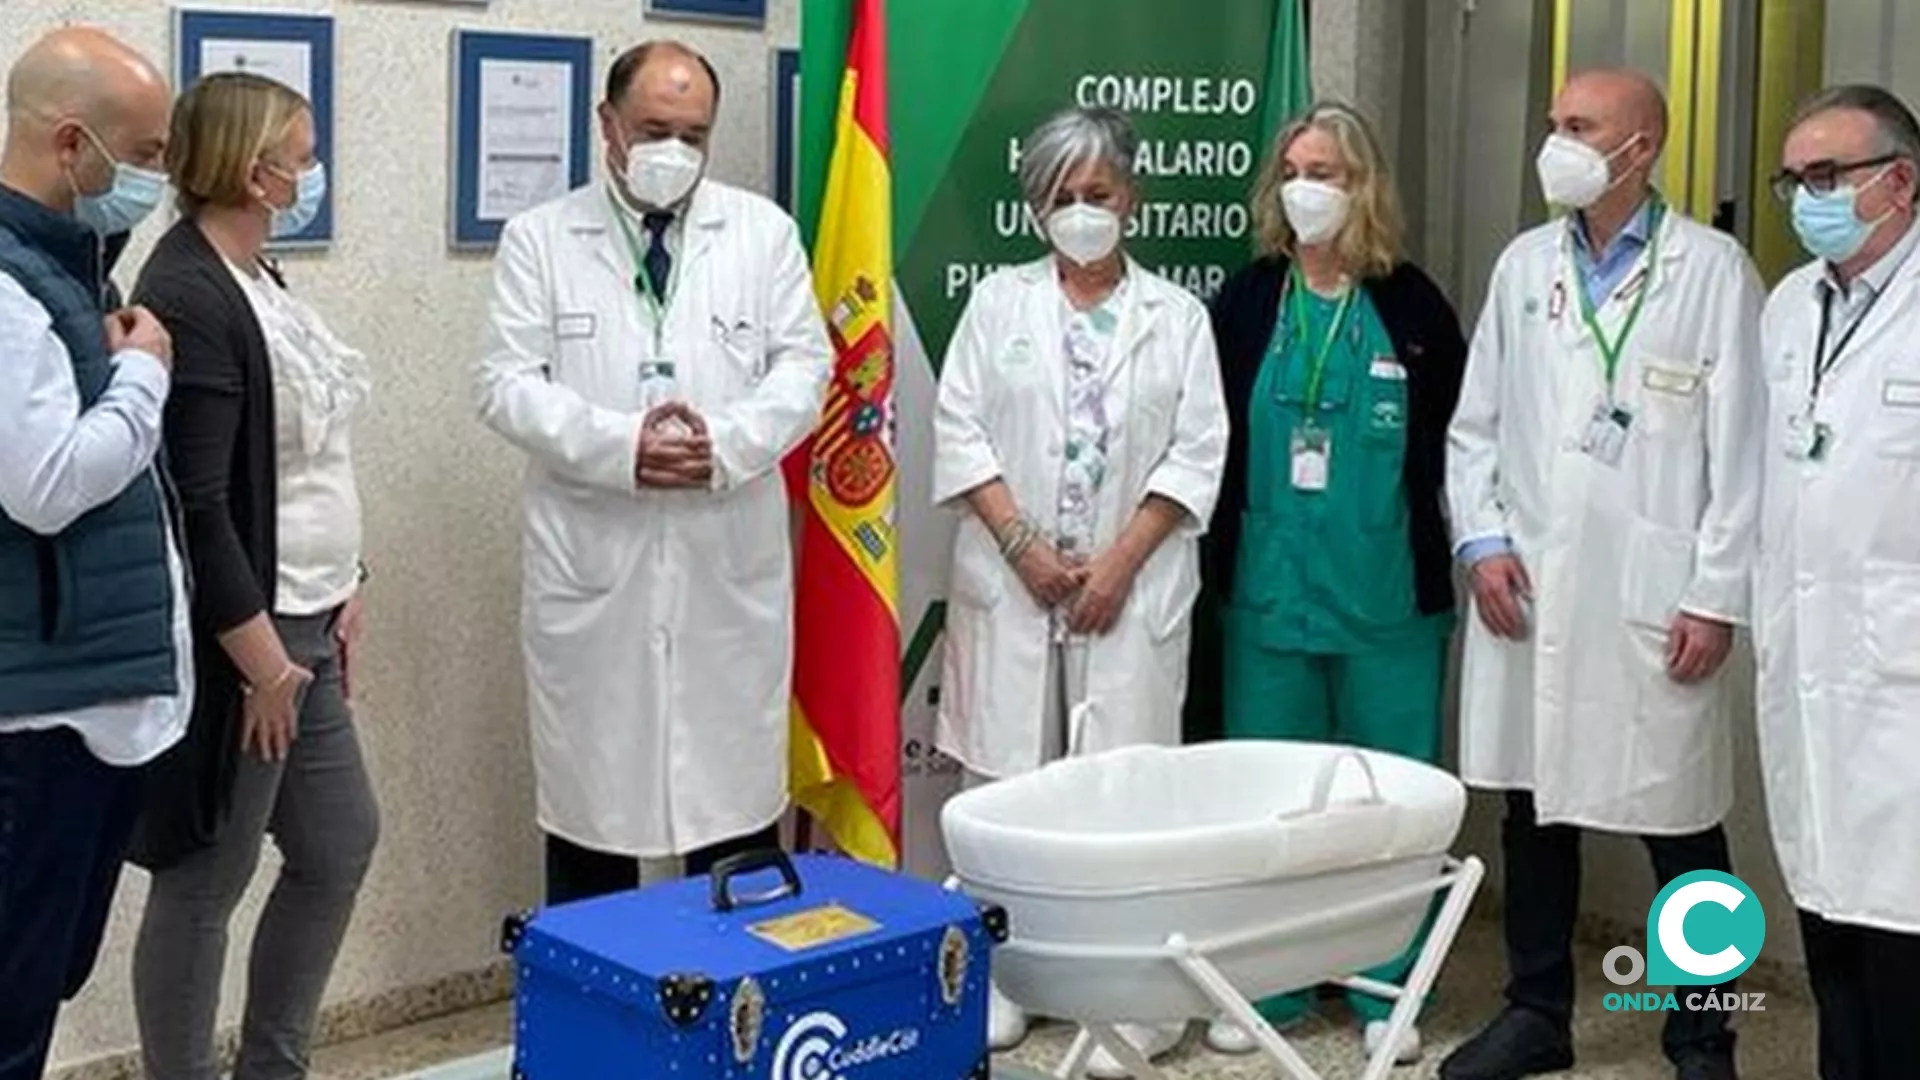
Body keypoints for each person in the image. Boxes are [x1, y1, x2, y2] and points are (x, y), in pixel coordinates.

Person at [1440, 68, 1765, 1080]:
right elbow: (1474, 426)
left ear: (1642, 145)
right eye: (1552, 124)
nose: (1558, 142)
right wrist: (1483, 543)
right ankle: (1538, 1010)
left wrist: (1714, 594)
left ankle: (1702, 1034)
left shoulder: (1713, 273)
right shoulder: (1524, 264)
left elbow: (1744, 457)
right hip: (1530, 589)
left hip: (1653, 596)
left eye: (1579, 127)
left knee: (1679, 823)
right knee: (1534, 806)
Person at [475, 39, 831, 904]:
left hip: (724, 571)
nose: (674, 151)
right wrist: (622, 446)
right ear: (607, 125)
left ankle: (733, 1030)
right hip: (598, 577)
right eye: (653, 128)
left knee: (735, 824)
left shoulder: (763, 234)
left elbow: (806, 369)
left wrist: (727, 443)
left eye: (694, 134)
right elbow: (503, 383)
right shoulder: (542, 239)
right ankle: (594, 1030)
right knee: (595, 828)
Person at [932, 104, 1228, 1079]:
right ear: (1037, 208)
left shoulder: (1177, 318)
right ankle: (1006, 981)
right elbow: (961, 431)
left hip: (1130, 588)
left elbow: (1197, 452)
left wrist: (1119, 562)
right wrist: (1022, 546)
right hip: (1015, 583)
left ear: (1130, 197)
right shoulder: (997, 306)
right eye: (1063, 197)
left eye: (1098, 194)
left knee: (1128, 789)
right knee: (1006, 786)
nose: (1083, 211)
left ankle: (1135, 1001)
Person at [1197, 100, 1466, 1066]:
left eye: (1331, 173)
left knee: (1387, 808)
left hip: (1386, 601)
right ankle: (1268, 985)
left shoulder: (1414, 307)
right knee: (1272, 804)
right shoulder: (1244, 303)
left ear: (1365, 189)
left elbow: (1458, 450)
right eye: (1296, 171)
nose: (1309, 189)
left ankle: (1385, 986)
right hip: (1268, 600)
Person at [123, 72, 379, 1080]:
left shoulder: (257, 274)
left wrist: (351, 576)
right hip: (250, 642)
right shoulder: (186, 288)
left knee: (339, 843)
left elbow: (301, 464)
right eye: (300, 153)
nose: (310, 171)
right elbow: (198, 503)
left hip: (310, 625)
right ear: (251, 164)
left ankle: (272, 1066)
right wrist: (261, 662)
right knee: (205, 879)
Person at [0, 26, 185, 1080]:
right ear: (73, 145)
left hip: (87, 701)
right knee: (15, 1007)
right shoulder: (11, 285)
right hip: (39, 719)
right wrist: (144, 375)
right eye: (147, 154)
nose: (158, 179)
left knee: (42, 977)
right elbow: (48, 485)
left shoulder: (69, 266)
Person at [1756, 83, 1920, 1080]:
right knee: (1832, 931)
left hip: (1902, 685)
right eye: (1794, 180)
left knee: (1904, 940)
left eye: (1825, 176)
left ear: (1898, 182)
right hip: (1813, 663)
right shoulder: (1788, 306)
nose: (1805, 198)